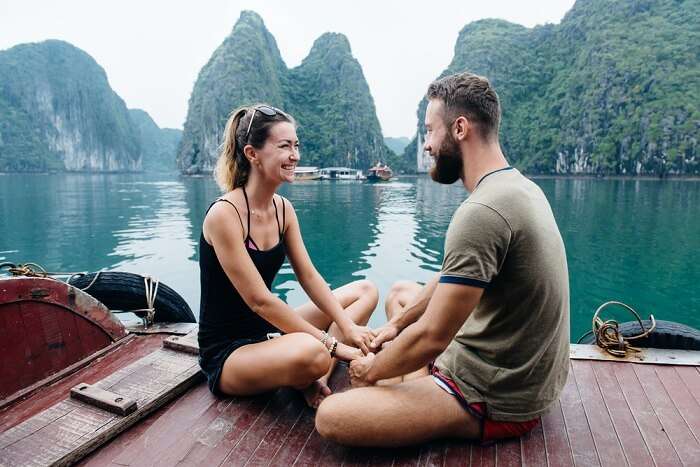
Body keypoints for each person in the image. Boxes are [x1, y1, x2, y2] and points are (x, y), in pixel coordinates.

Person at [315, 72, 570, 445]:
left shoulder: (482, 210)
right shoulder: (517, 186)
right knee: (402, 293)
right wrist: (396, 325)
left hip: (498, 395)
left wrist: (371, 371)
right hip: (517, 369)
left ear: (460, 128)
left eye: (430, 131)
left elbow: (434, 335)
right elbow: (453, 275)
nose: (427, 145)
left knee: (332, 416)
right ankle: (415, 384)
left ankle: (420, 390)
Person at [198, 104, 378, 408]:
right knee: (315, 352)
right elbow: (260, 300)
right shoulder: (224, 215)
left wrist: (346, 326)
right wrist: (333, 344)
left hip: (266, 332)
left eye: (296, 145)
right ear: (252, 154)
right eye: (284, 146)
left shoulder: (283, 210)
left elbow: (308, 276)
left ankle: (314, 380)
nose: (295, 155)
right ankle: (312, 369)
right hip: (229, 353)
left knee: (365, 291)